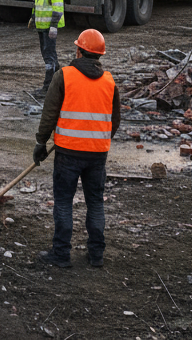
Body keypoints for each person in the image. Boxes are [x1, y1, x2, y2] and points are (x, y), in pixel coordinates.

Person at [32, 28, 121, 269]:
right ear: (100, 55)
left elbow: (49, 113)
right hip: (97, 154)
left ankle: (61, 254)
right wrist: (98, 139)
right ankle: (96, 255)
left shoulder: (65, 75)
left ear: (78, 50)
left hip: (68, 153)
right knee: (95, 203)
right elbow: (114, 121)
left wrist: (42, 142)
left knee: (63, 202)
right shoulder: (110, 81)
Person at [29, 0, 64, 97]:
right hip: (42, 26)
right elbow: (36, 4)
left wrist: (54, 26)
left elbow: (58, 8)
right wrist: (33, 17)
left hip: (49, 27)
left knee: (49, 57)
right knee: (48, 55)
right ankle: (59, 83)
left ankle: (48, 87)